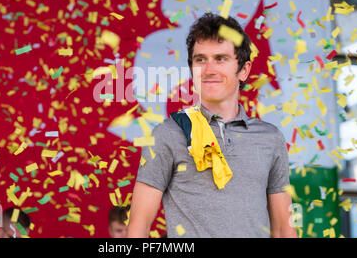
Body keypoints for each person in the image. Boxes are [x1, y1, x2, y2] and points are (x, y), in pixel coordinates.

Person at [127, 13, 297, 238]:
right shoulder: (168, 133)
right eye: (200, 59)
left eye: (220, 58)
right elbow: (138, 225)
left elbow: (284, 229)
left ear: (244, 70)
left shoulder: (270, 138)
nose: (209, 69)